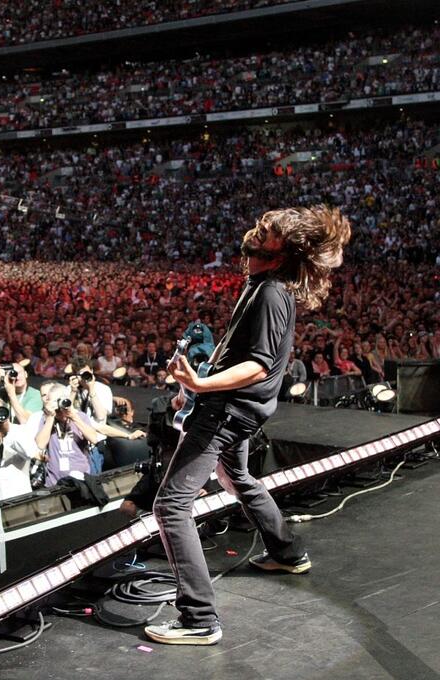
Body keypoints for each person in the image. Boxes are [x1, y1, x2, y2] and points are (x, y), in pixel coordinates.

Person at [145, 206, 351, 646]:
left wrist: (202, 384)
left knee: (171, 506)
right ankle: (287, 552)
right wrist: (194, 387)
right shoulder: (260, 285)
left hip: (226, 413)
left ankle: (199, 618)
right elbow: (237, 354)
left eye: (267, 231)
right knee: (235, 476)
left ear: (281, 252)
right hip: (231, 407)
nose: (257, 230)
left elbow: (258, 365)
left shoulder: (272, 293)